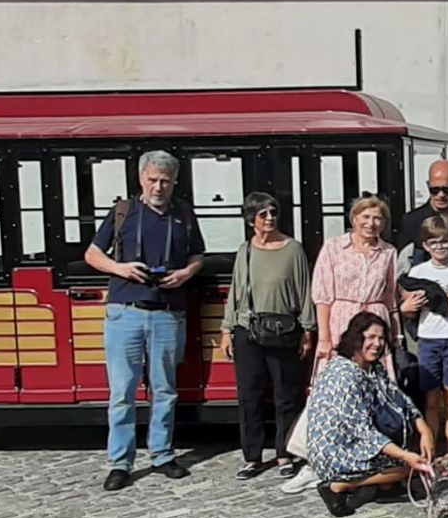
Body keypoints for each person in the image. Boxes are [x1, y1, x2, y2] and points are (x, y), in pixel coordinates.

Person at [84, 151, 207, 491]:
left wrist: (186, 273)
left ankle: (162, 456)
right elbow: (92, 254)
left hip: (168, 313)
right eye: (152, 180)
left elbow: (198, 255)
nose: (158, 187)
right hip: (125, 312)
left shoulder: (184, 214)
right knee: (122, 393)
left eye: (165, 181)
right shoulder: (122, 212)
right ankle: (120, 463)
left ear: (175, 182)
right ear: (141, 179)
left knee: (164, 390)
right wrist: (121, 269)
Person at [303, 313, 436, 518]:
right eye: (371, 337)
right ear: (356, 338)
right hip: (335, 449)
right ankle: (338, 485)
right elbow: (363, 431)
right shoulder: (344, 374)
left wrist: (424, 429)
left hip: (356, 440)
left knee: (406, 458)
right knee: (407, 467)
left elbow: (398, 398)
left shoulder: (373, 368)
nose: (377, 343)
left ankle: (385, 486)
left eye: (381, 338)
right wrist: (404, 455)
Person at [225, 191, 316, 481]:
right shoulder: (245, 250)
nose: (269, 218)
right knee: (249, 396)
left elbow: (304, 291)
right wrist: (227, 329)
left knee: (286, 395)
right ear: (251, 219)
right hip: (248, 330)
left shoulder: (293, 249)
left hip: (284, 329)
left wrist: (308, 330)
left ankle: (284, 453)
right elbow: (236, 292)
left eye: (273, 212)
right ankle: (252, 457)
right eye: (263, 214)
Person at [401, 215, 448, 459]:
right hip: (429, 337)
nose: (440, 247)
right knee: (431, 397)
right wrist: (410, 305)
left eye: (444, 241)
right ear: (425, 246)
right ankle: (430, 450)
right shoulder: (418, 271)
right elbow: (409, 306)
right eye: (433, 243)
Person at [310, 196, 401, 379]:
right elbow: (323, 297)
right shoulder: (333, 247)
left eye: (377, 218)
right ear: (354, 218)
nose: (371, 223)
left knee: (375, 380)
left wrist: (396, 336)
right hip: (342, 320)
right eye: (366, 217)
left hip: (375, 322)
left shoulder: (388, 252)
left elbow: (391, 298)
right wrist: (324, 338)